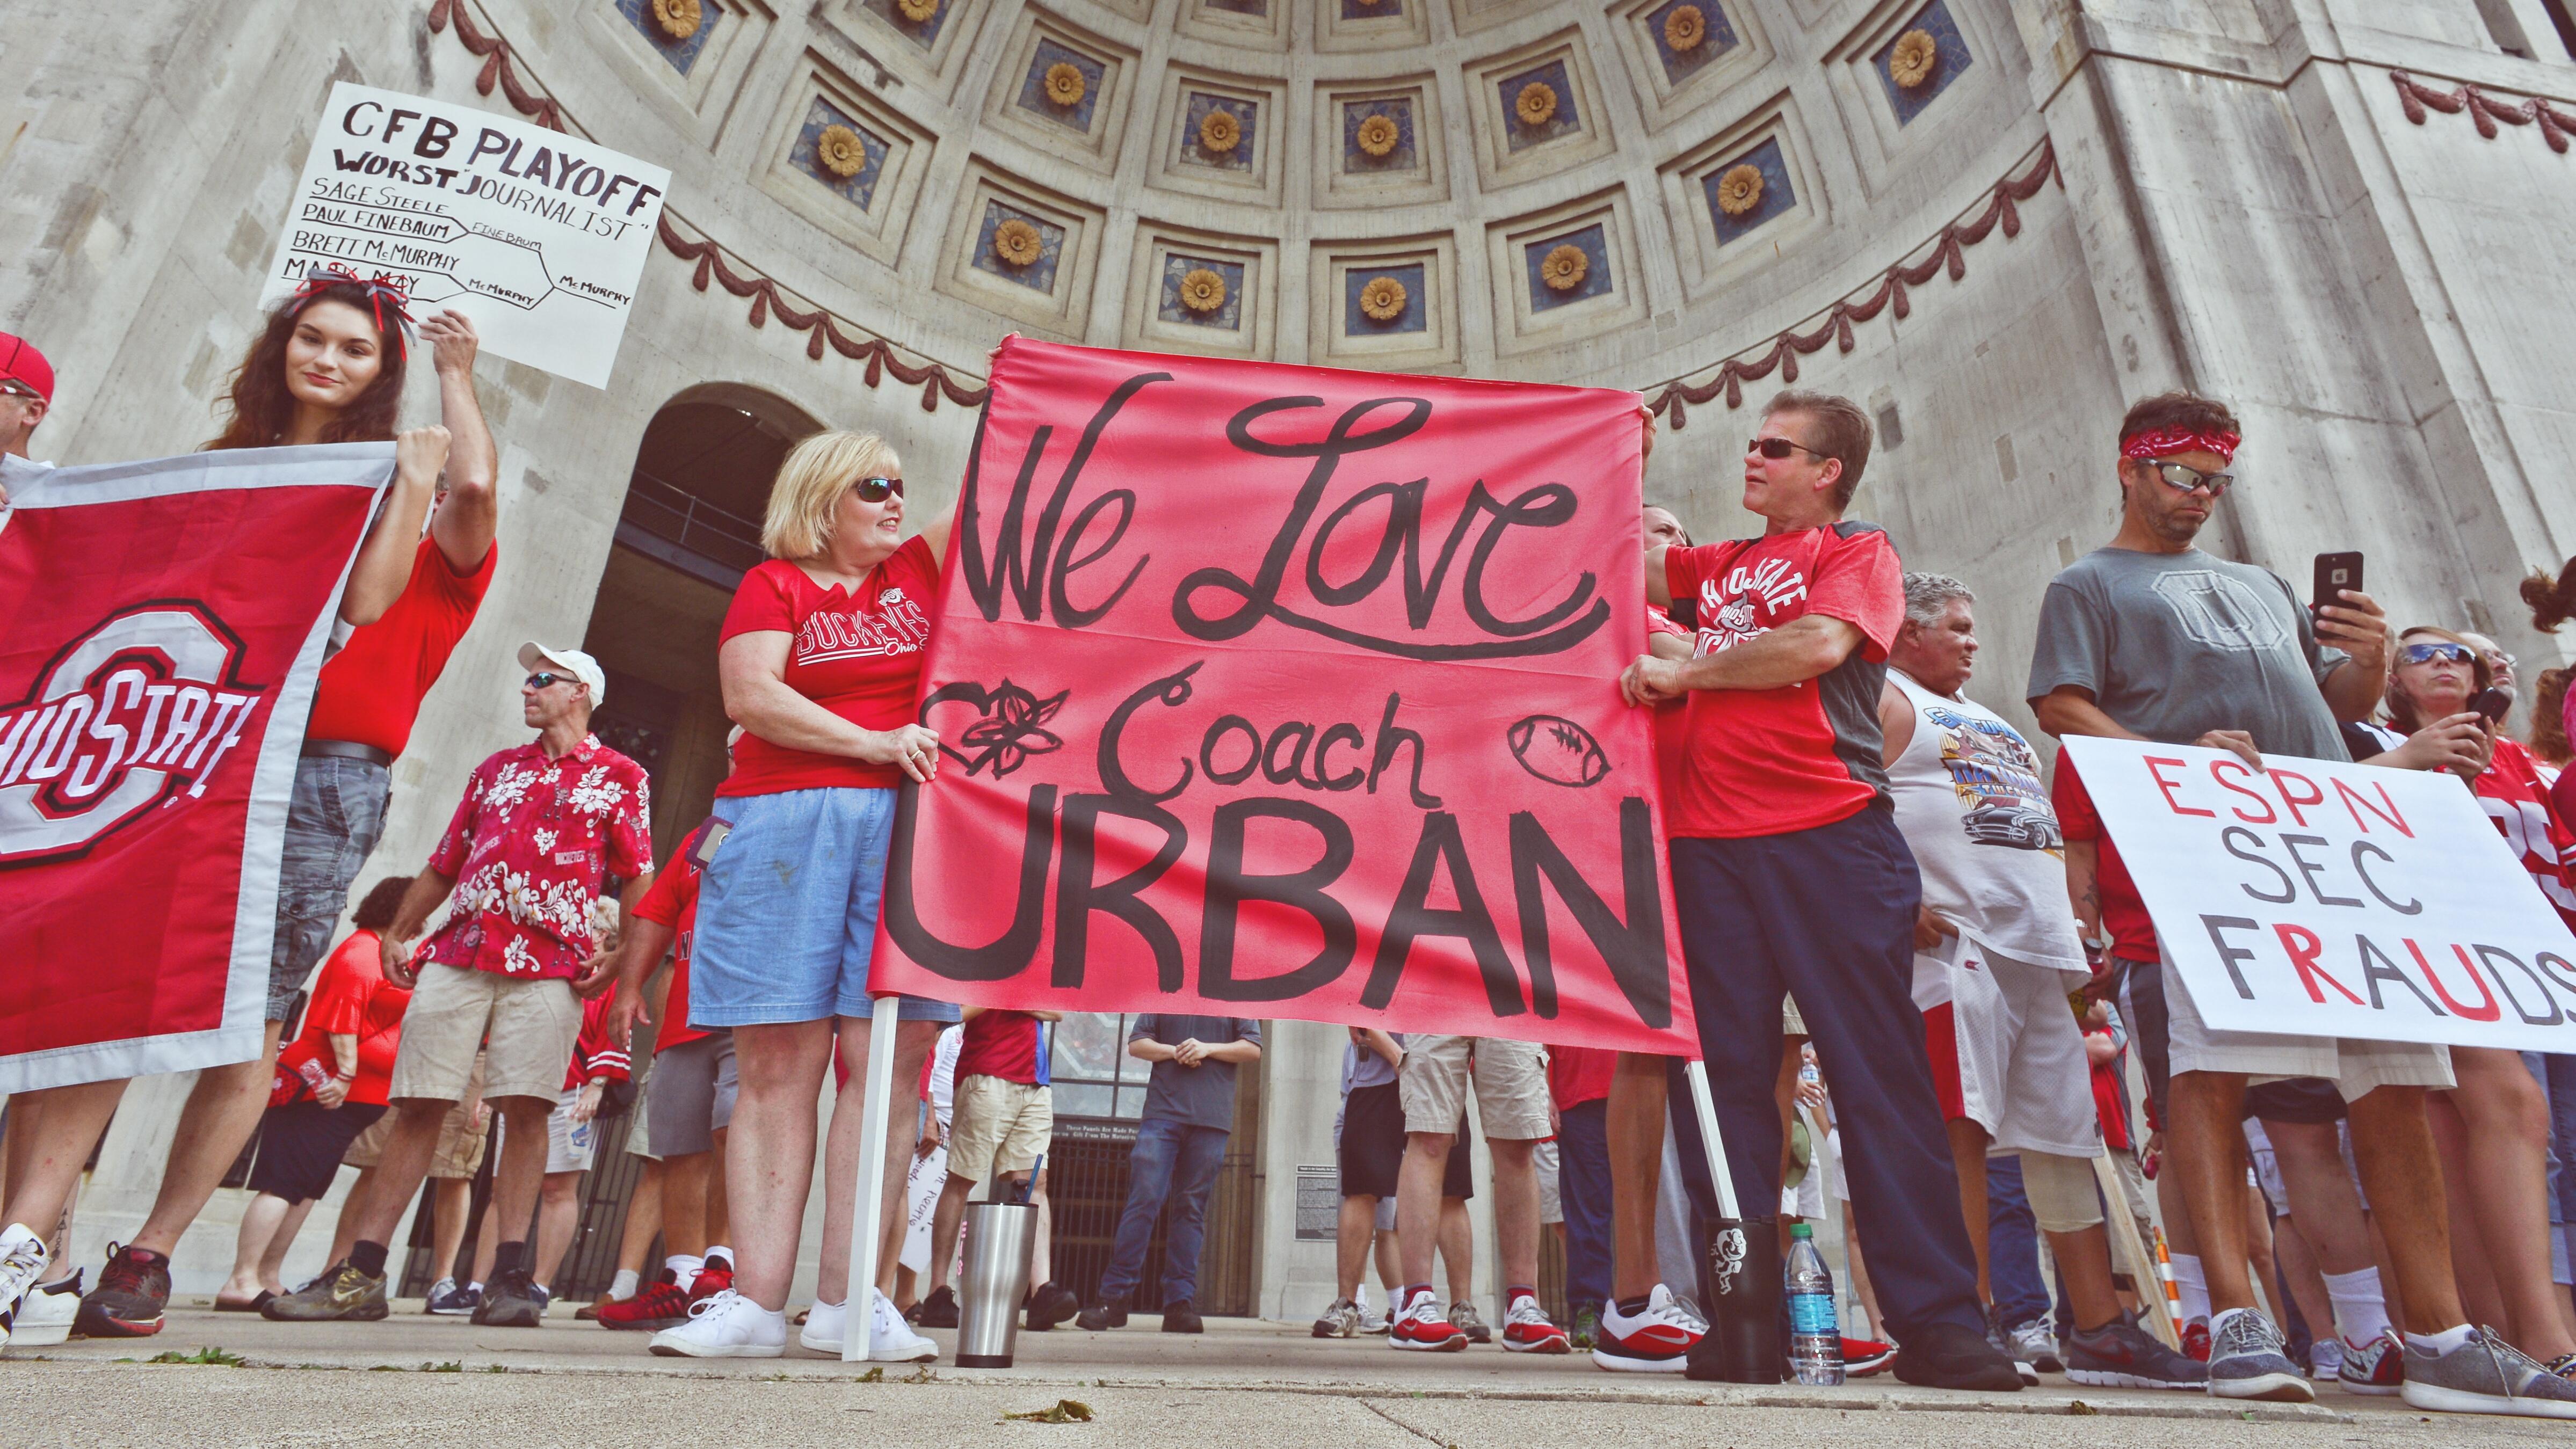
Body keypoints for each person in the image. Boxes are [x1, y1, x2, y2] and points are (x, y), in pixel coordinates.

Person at [2029, 388, 2574, 1415]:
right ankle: (2235, 1314)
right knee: (2210, 1065)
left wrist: (2367, 657)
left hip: (2317, 843)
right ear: (2132, 465)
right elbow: (2059, 702)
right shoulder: (2085, 582)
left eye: (2218, 480)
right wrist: (2170, 765)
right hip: (2198, 845)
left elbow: (2332, 708)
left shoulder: (2260, 579)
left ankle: (2439, 1330)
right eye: (2185, 475)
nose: (2201, 496)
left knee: (2391, 1072)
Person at [0, 274, 494, 1345]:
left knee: (250, 1019)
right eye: (309, 339)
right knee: (102, 989)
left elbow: (386, 584)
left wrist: (446, 399)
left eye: (353, 348)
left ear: (383, 371)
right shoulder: (224, 469)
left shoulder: (406, 489)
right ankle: (29, 1242)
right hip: (195, 742)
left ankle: (152, 1249)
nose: (325, 358)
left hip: (320, 771)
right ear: (279, 348)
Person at [1620, 389, 2014, 1389]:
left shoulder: (1855, 551)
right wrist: (1615, 468)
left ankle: (1937, 1322)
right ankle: (1740, 1315)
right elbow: (1620, 561)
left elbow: (1816, 646)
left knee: (1874, 1075)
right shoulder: (1717, 567)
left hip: (1827, 837)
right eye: (1750, 445)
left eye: (1775, 448)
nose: (1751, 460)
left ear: (1827, 468)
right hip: (1707, 852)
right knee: (1724, 1090)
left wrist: (1690, 666)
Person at [649, 429, 956, 1361]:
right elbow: (751, 696)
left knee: (890, 1056)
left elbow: (1002, 479)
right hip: (784, 819)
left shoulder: (915, 568)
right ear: (823, 496)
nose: (895, 501)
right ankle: (754, 1300)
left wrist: (1018, 383)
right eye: (875, 486)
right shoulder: (772, 583)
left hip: (905, 827)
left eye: (901, 486)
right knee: (778, 1058)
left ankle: (849, 1296)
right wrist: (871, 741)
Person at [1880, 572, 2205, 1389]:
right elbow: (1847, 796)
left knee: (2066, 1136)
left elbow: (2040, 829)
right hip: (1958, 942)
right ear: (1906, 632)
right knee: (1964, 1127)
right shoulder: (1876, 693)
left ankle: (2097, 1324)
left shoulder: (1986, 715)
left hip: (2039, 946)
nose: (1972, 640)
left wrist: (2075, 930)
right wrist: (1894, 893)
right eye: (1955, 626)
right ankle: (1963, 1318)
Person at [263, 644, 651, 1328]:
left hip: (552, 963)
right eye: (527, 677)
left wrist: (621, 962)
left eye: (543, 679)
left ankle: (508, 1278)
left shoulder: (621, 776)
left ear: (581, 692)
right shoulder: (496, 769)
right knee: (416, 1103)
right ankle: (362, 1273)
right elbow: (446, 862)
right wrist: (399, 930)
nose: (527, 688)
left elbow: (641, 876)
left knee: (527, 1109)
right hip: (460, 950)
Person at [2345, 628, 2576, 1374]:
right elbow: (2324, 800)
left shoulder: (2518, 761)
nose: (2442, 660)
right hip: (2415, 945)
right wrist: (2412, 759)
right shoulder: (2363, 735)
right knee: (2505, 1110)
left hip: (2514, 960)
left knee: (2469, 1132)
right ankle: (2542, 1339)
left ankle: (2507, 1341)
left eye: (2456, 653)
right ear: (2392, 684)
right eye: (2419, 653)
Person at [213, 877, 416, 1312]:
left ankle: (267, 1274)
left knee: (306, 1189)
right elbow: (343, 1017)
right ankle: (241, 1277)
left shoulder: (382, 954)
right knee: (284, 1184)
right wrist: (344, 1073)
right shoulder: (362, 952)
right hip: (323, 1086)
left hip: (354, 1096)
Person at [599, 813, 739, 1330]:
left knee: (732, 1132)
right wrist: (630, 986)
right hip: (684, 1010)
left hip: (752, 1009)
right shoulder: (711, 832)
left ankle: (721, 1270)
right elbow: (660, 911)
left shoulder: (793, 815)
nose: (737, 763)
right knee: (680, 1143)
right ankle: (681, 1277)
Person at [1387, 1036, 1568, 1353]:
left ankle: (1522, 1303)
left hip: (1511, 991)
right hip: (1437, 991)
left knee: (1517, 1140)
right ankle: (1415, 1302)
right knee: (1429, 1133)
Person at [1084, 1016, 1262, 1334]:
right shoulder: (1167, 993)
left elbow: (1252, 1048)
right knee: (1145, 1200)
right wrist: (1176, 1051)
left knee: (1190, 1209)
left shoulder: (1235, 997)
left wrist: (1206, 1049)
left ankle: (1179, 1304)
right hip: (1163, 1114)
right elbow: (1137, 1044)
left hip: (1211, 1119)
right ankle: (1114, 1297)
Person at [933, 1009, 1054, 1322]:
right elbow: (958, 1010)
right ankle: (938, 1290)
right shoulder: (985, 960)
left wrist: (1010, 997)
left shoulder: (1039, 964)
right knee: (962, 1180)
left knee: (1034, 1181)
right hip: (987, 1072)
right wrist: (1019, 997)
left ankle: (1042, 1292)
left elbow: (1058, 1010)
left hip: (1035, 1079)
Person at [1547, 1045, 1615, 1349]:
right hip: (1579, 1087)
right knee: (1586, 1211)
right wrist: (1545, 1087)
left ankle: (1646, 1306)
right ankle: (1590, 1309)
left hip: (1650, 1082)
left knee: (1656, 1211)